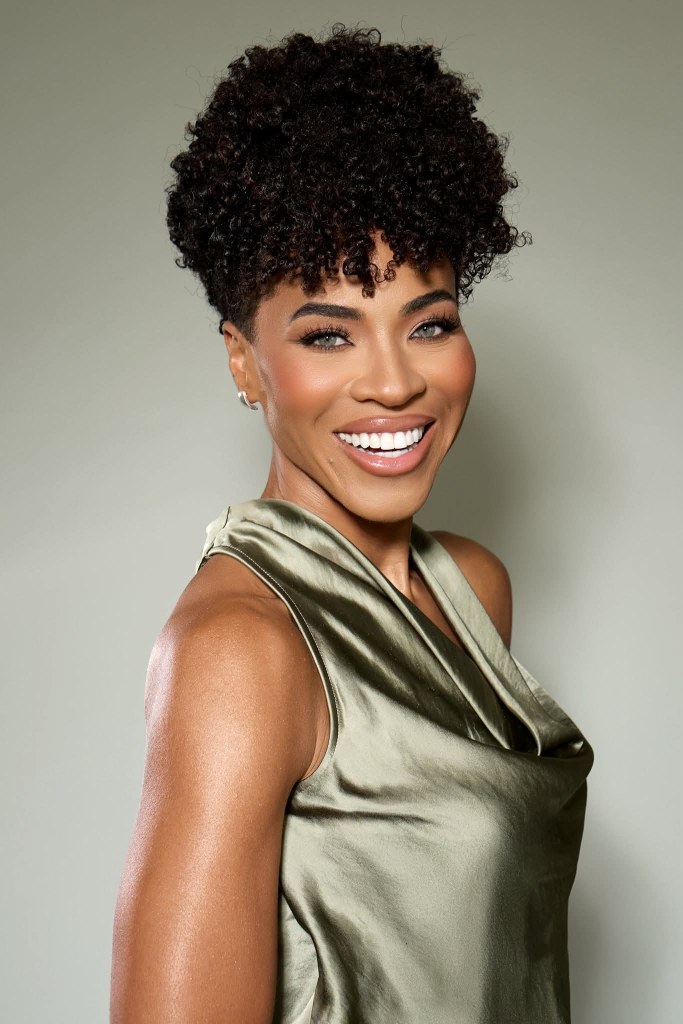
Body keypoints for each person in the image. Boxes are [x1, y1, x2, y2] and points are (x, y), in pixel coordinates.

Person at [110, 24, 594, 1024]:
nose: (393, 382)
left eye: (429, 322)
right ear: (244, 361)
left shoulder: (472, 588)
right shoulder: (241, 648)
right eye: (328, 335)